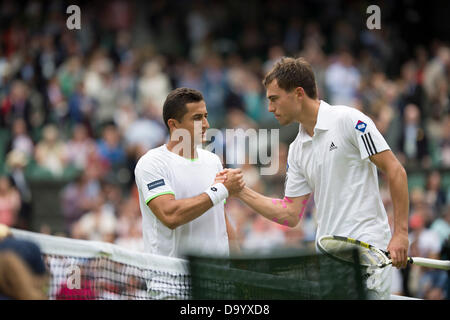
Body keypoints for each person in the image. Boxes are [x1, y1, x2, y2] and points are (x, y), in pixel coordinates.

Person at [218, 57, 410, 299]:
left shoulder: (349, 120)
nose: (269, 108)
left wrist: (401, 233)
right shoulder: (297, 149)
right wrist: (240, 190)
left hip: (366, 250)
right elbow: (290, 213)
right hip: (329, 258)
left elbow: (395, 171)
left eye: (274, 99)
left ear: (298, 93)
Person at [134, 87, 244, 259]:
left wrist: (241, 269)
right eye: (197, 118)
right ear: (173, 124)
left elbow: (221, 217)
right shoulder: (151, 163)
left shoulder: (213, 160)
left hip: (218, 277)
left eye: (205, 116)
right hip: (171, 279)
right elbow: (170, 215)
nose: (206, 124)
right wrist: (220, 190)